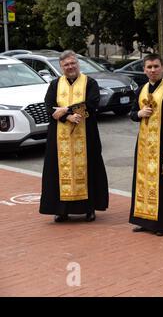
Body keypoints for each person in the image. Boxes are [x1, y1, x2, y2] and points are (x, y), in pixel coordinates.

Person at [39, 50, 109, 222]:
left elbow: (93, 104)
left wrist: (66, 109)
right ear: (61, 67)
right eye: (66, 65)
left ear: (78, 64)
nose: (70, 67)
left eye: (73, 63)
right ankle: (60, 210)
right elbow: (49, 107)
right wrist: (67, 116)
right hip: (59, 137)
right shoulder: (55, 84)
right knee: (58, 172)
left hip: (87, 136)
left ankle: (89, 208)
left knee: (89, 170)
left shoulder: (89, 83)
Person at [129, 53, 163, 236]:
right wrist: (139, 113)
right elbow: (131, 114)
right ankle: (144, 220)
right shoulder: (140, 90)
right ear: (144, 70)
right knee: (143, 182)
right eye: (149, 67)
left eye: (156, 66)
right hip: (144, 146)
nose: (152, 70)